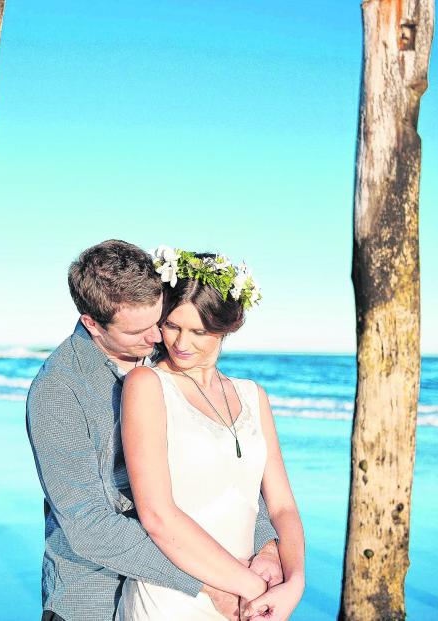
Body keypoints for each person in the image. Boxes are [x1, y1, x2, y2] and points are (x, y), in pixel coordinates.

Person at [26, 240, 284, 621]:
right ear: (92, 324)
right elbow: (90, 527)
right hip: (94, 596)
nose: (157, 340)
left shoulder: (166, 361)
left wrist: (265, 544)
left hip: (201, 572)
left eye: (158, 322)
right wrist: (210, 586)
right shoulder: (58, 392)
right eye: (139, 331)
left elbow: (226, 470)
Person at [116, 247, 305, 621]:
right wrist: (247, 587)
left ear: (227, 326)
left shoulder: (253, 396)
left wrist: (293, 581)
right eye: (172, 325)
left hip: (250, 595)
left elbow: (282, 505)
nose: (181, 344)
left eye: (199, 331)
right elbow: (157, 515)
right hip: (173, 598)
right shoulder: (146, 385)